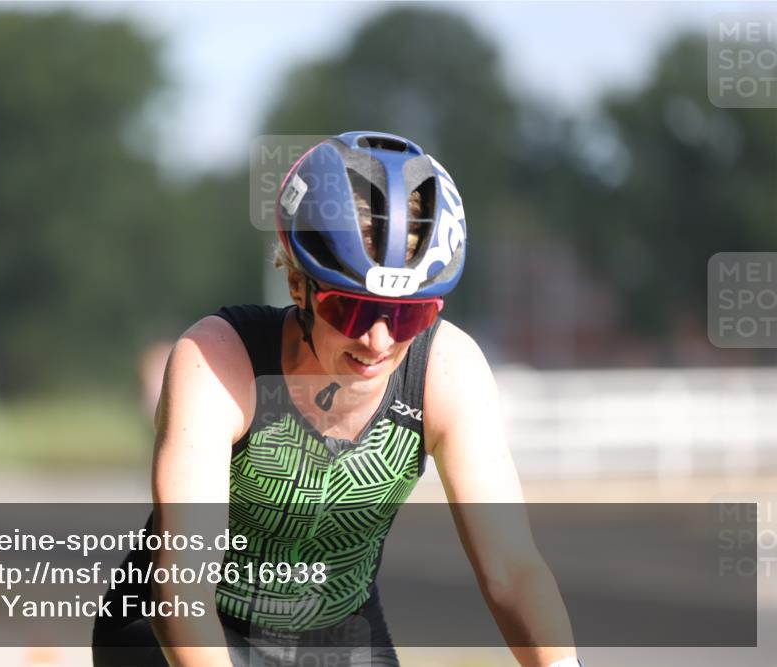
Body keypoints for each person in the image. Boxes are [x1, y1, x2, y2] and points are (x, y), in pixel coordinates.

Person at [93, 131, 582, 667]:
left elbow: (511, 569)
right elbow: (182, 589)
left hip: (336, 631)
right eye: (351, 310)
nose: (378, 340)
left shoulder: (448, 370)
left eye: (408, 315)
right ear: (297, 284)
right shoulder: (218, 360)